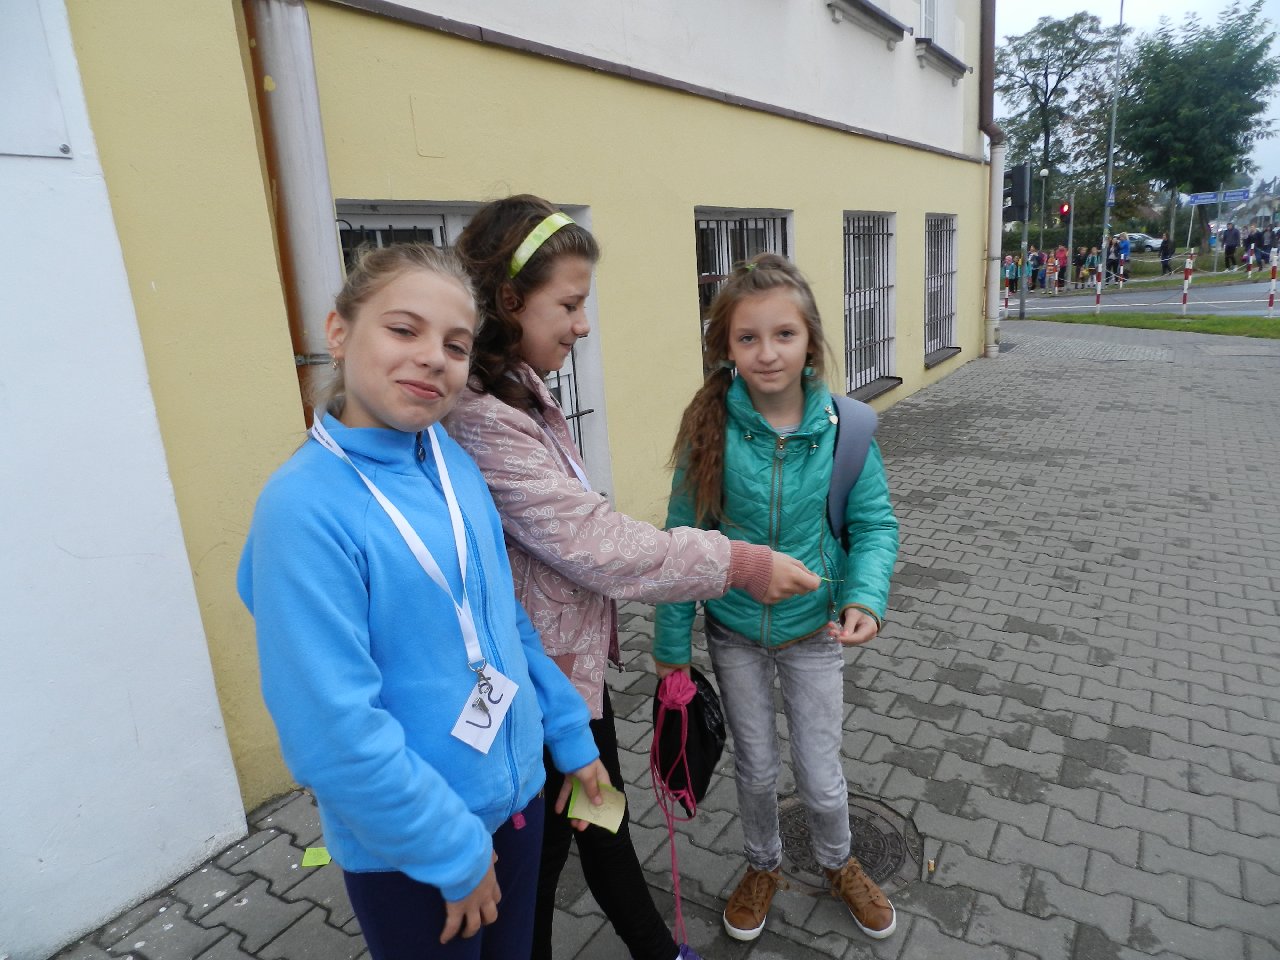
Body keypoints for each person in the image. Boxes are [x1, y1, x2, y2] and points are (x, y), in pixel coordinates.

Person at [442, 195, 820, 960]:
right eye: (569, 305)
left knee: (598, 818)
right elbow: (596, 544)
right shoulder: (483, 419)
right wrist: (740, 563)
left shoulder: (517, 390)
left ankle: (655, 946)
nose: (582, 325)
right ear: (509, 301)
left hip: (567, 672)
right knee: (553, 848)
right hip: (535, 683)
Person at [238, 244, 612, 960]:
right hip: (415, 849)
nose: (433, 357)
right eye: (404, 329)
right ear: (339, 332)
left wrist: (569, 734)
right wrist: (451, 850)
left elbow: (505, 622)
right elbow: (333, 730)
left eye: (456, 345)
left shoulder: (451, 461)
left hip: (517, 802)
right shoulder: (303, 510)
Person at [654, 254, 900, 944]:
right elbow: (681, 541)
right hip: (732, 631)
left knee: (820, 776)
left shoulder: (847, 429)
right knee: (757, 769)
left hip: (814, 631)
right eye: (748, 337)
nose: (768, 353)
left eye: (784, 334)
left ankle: (838, 862)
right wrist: (671, 649)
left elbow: (875, 526)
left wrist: (865, 597)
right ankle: (762, 864)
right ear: (726, 347)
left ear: (811, 340)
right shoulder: (709, 429)